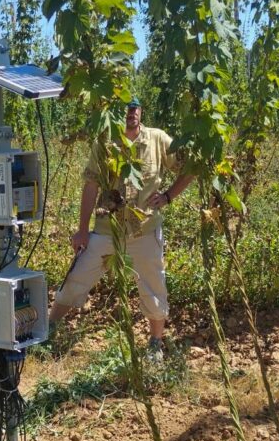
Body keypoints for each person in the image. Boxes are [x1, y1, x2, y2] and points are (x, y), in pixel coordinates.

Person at [48, 97, 194, 359]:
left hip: (144, 230)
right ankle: (49, 329)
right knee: (78, 275)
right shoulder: (105, 142)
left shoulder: (158, 139)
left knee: (153, 285)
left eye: (135, 108)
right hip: (108, 228)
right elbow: (91, 184)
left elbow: (191, 167)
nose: (131, 113)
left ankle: (154, 345)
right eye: (126, 109)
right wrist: (82, 229)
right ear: (117, 112)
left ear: (141, 111)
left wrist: (169, 196)